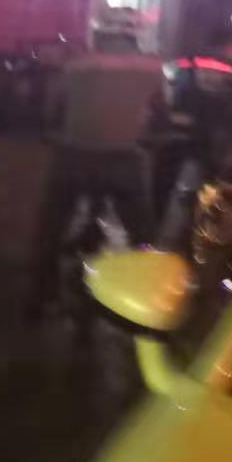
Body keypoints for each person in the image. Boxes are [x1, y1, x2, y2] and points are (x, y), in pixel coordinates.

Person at [26, 25, 166, 318]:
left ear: (101, 37)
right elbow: (161, 113)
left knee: (51, 227)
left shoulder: (76, 65)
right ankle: (148, 293)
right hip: (122, 162)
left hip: (73, 158)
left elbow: (53, 108)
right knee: (142, 231)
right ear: (134, 39)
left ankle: (39, 295)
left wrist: (54, 128)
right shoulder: (151, 67)